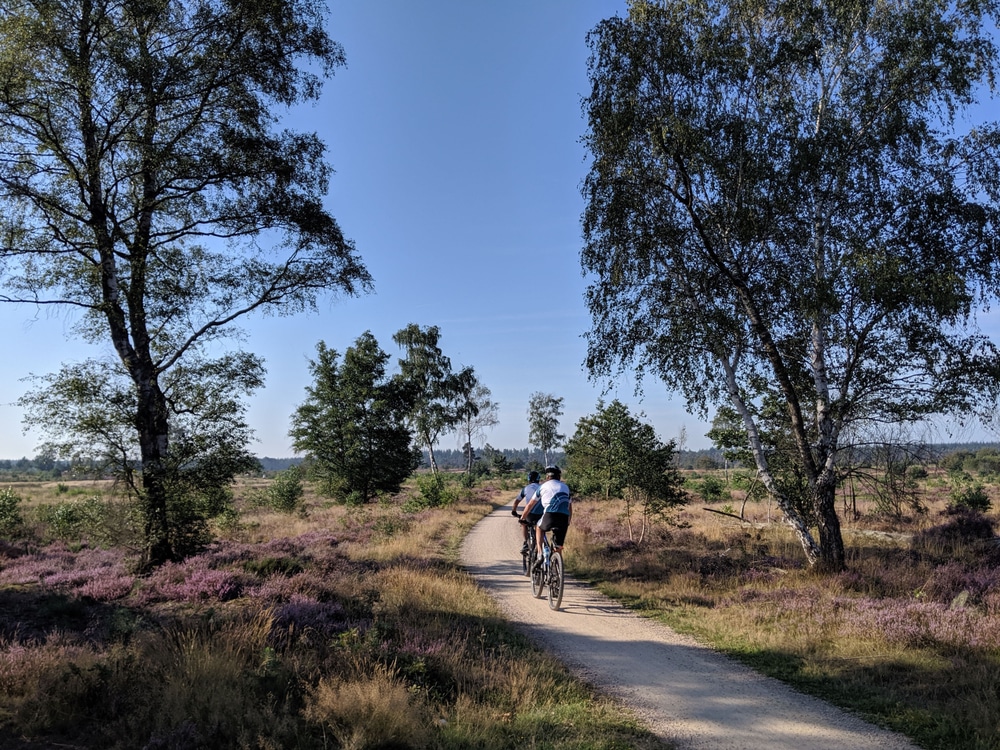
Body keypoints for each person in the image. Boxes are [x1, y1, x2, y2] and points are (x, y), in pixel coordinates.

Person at [520, 465, 571, 570]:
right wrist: (568, 522)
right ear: (559, 477)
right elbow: (570, 508)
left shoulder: (542, 487)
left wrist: (523, 517)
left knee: (539, 528)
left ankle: (540, 554)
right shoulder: (566, 487)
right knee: (558, 547)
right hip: (563, 518)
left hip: (549, 515)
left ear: (547, 477)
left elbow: (530, 505)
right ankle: (557, 569)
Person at [511, 471, 542, 556]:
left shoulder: (525, 488)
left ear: (529, 479)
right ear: (538, 479)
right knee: (541, 528)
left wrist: (514, 511)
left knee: (524, 523)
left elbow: (517, 501)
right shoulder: (542, 487)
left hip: (530, 514)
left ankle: (525, 543)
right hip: (542, 514)